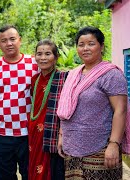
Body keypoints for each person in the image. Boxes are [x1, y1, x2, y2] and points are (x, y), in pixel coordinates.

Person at [57, 26, 127, 179]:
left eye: (91, 43)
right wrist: (62, 135)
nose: (85, 48)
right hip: (72, 148)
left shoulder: (111, 75)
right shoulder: (74, 74)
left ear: (101, 46)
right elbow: (66, 109)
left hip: (100, 149)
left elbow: (120, 110)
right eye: (81, 44)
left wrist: (114, 144)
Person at [0, 25, 39, 180]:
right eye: (4, 40)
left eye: (12, 39)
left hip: (29, 133)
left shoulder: (34, 64)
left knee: (30, 175)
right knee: (4, 176)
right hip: (1, 133)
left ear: (20, 40)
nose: (9, 43)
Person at [28, 39, 67, 180]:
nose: (43, 58)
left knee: (53, 170)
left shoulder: (64, 78)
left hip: (53, 132)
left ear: (56, 57)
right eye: (39, 54)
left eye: (47, 54)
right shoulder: (34, 79)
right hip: (34, 132)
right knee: (34, 167)